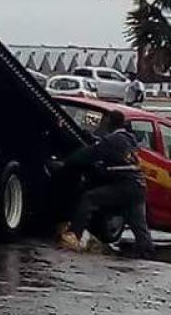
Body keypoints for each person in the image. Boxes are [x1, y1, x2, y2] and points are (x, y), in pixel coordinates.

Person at [58, 110, 154, 258]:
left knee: (89, 198)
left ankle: (74, 235)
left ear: (109, 122)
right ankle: (147, 253)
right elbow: (104, 145)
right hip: (138, 186)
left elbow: (89, 154)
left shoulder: (113, 141)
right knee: (139, 224)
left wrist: (66, 161)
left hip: (124, 185)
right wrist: (91, 137)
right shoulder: (129, 139)